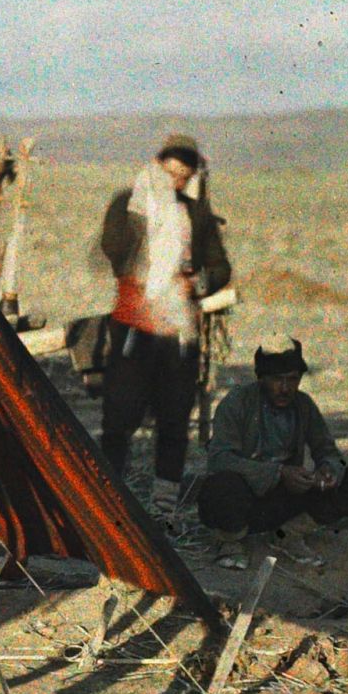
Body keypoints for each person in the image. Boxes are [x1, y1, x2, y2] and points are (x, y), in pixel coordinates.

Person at [97, 134, 231, 494]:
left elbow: (220, 267)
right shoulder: (128, 203)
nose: (175, 181)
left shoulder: (197, 214)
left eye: (183, 175)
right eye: (169, 172)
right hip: (133, 325)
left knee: (174, 418)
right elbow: (115, 253)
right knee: (120, 416)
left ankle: (166, 500)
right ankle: (110, 495)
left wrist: (196, 281)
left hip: (178, 331)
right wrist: (145, 221)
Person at [188, 336, 348, 564]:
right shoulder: (237, 403)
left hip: (284, 500)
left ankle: (289, 535)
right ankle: (231, 541)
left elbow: (327, 450)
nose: (285, 388)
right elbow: (219, 460)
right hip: (247, 498)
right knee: (221, 486)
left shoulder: (303, 404)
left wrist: (329, 470)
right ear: (261, 378)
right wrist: (279, 473)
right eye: (277, 380)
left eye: (293, 380)